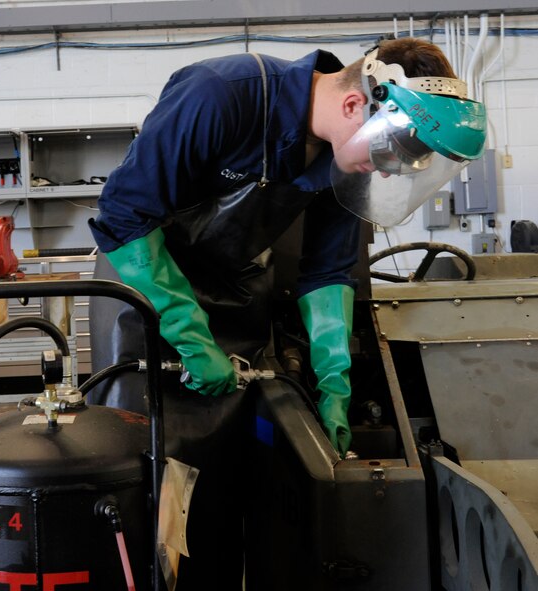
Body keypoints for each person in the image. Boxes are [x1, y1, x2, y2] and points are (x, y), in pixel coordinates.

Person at [88, 37, 486, 590]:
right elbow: (123, 217)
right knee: (151, 491)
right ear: (355, 106)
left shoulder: (343, 159)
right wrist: (188, 335)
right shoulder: (221, 95)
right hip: (146, 305)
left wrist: (334, 379)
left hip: (235, 299)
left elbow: (326, 272)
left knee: (225, 493)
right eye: (392, 153)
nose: (391, 171)